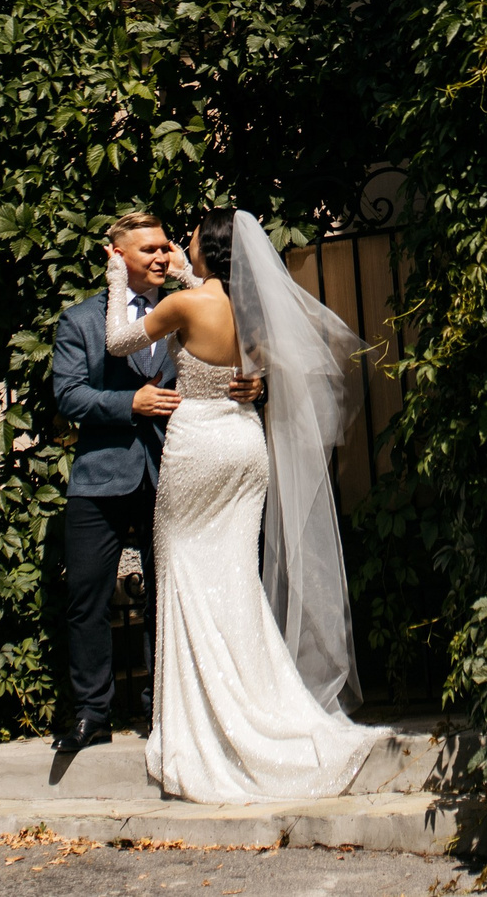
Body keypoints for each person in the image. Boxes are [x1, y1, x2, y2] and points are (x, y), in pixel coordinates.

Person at [106, 209, 386, 801]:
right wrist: (191, 279)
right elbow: (244, 351)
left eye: (187, 243)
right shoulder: (252, 311)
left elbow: (118, 340)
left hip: (199, 447)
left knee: (183, 571)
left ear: (205, 250)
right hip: (245, 445)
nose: (179, 249)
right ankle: (266, 702)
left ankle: (204, 722)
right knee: (235, 576)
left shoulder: (184, 306)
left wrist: (115, 279)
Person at [49, 210, 262, 755]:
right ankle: (93, 713)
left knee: (172, 589)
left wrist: (250, 385)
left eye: (167, 246)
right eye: (149, 249)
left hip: (178, 468)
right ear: (118, 256)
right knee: (87, 595)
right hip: (101, 477)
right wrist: (130, 402)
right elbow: (69, 396)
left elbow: (236, 363)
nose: (163, 256)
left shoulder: (200, 303)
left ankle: (163, 707)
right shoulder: (79, 320)